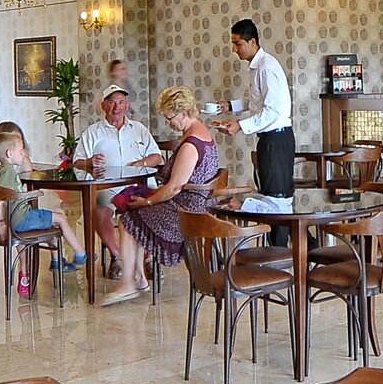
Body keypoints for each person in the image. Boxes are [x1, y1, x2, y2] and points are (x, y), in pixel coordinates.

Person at [101, 87, 220, 305]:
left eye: (170, 117)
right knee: (134, 211)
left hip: (186, 211)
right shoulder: (200, 132)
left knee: (127, 220)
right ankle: (138, 278)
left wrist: (147, 200)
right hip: (192, 203)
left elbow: (174, 188)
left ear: (183, 112)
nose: (168, 122)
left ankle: (129, 283)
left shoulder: (191, 144)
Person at [0, 129, 84, 308]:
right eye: (21, 149)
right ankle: (77, 254)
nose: (23, 152)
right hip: (10, 221)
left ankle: (46, 265)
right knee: (56, 219)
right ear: (9, 152)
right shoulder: (6, 172)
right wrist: (2, 221)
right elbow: (4, 198)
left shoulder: (1, 169)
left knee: (46, 225)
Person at [210, 18, 294, 245]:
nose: (234, 49)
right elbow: (257, 101)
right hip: (269, 140)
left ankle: (280, 253)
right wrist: (230, 106)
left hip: (277, 140)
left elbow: (273, 112)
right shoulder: (258, 67)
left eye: (238, 44)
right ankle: (289, 249)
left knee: (277, 202)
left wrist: (240, 125)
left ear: (253, 42)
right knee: (271, 198)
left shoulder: (267, 67)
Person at [77, 84, 164, 276]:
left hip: (140, 185)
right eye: (111, 102)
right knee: (98, 209)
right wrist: (89, 162)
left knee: (156, 206)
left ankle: (149, 258)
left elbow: (157, 157)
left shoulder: (139, 129)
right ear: (103, 105)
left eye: (121, 102)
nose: (116, 107)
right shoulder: (92, 132)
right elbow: (77, 162)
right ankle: (117, 257)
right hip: (108, 187)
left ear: (127, 105)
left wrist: (140, 163)